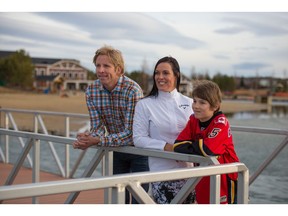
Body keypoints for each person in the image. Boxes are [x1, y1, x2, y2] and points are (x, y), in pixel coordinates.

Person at [73, 45, 149, 204]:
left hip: (140, 150)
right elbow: (98, 127)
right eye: (98, 66)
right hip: (115, 149)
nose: (101, 70)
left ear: (119, 70)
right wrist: (90, 137)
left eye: (106, 66)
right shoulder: (92, 90)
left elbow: (131, 134)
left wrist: (99, 140)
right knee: (119, 200)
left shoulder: (133, 90)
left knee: (139, 200)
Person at [133, 56, 195, 204]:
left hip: (190, 172)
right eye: (157, 73)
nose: (160, 77)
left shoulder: (190, 102)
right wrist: (168, 148)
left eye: (165, 73)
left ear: (176, 75)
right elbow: (138, 139)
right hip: (161, 173)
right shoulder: (144, 105)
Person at [173, 80, 240, 204]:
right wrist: (199, 147)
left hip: (225, 178)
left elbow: (209, 149)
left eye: (202, 102)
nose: (196, 106)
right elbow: (177, 145)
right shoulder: (194, 120)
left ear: (215, 106)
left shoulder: (221, 123)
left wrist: (192, 146)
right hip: (203, 176)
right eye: (194, 101)